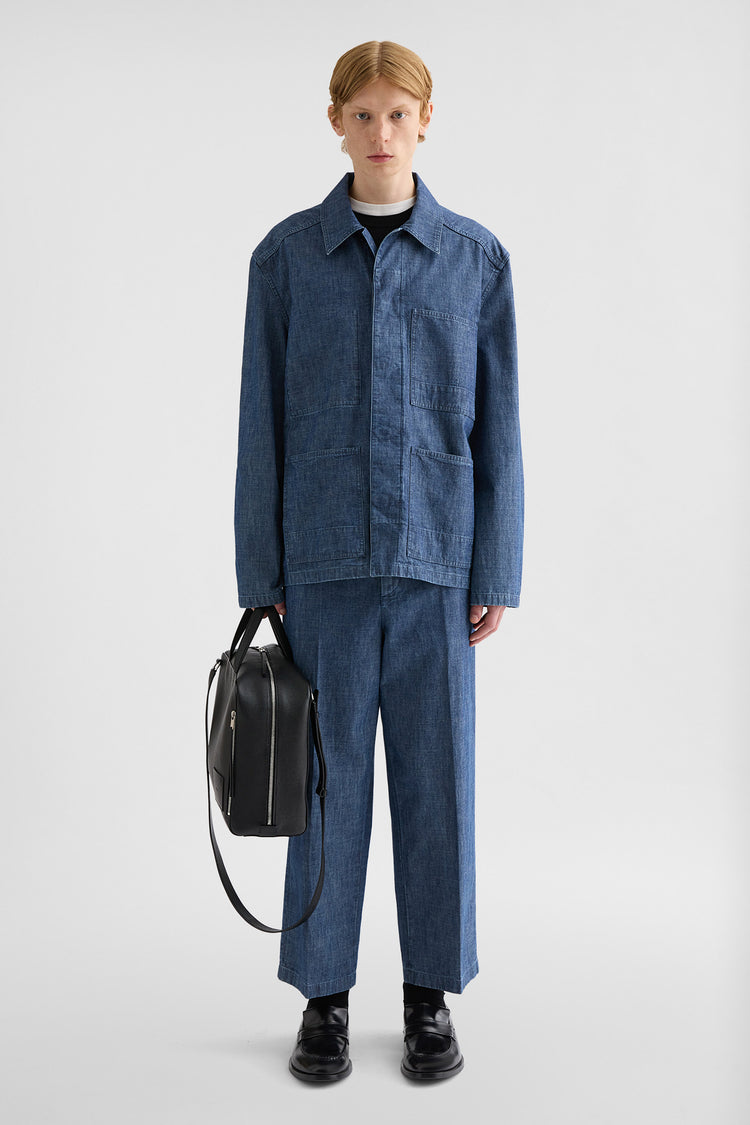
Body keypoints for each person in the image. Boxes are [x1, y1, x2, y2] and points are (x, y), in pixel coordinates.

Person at [234, 39, 524, 1083]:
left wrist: (496, 567)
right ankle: (324, 997)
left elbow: (499, 430)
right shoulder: (285, 260)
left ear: (426, 121)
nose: (381, 132)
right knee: (322, 787)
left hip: (439, 566)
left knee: (438, 787)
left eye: (399, 114)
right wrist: (260, 570)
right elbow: (260, 423)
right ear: (336, 124)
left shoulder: (475, 261)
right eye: (362, 114)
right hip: (321, 569)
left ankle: (428, 995)